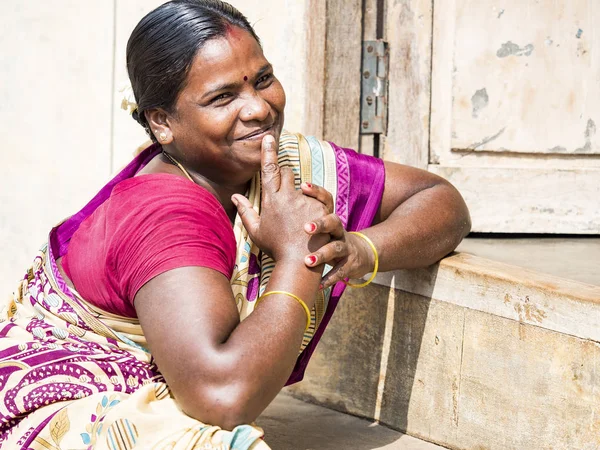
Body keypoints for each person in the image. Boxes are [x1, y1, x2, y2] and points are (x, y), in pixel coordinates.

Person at [0, 1, 471, 448]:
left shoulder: (282, 166)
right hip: (64, 414)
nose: (258, 108)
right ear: (162, 122)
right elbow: (222, 398)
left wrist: (358, 251)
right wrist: (297, 257)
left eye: (262, 79)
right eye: (223, 96)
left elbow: (441, 202)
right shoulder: (167, 213)